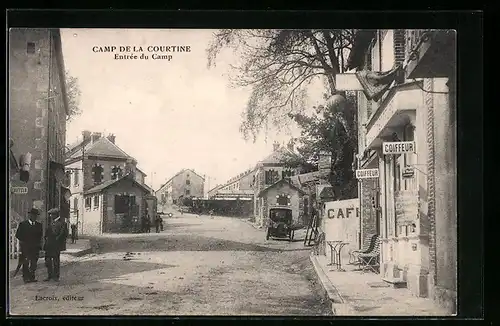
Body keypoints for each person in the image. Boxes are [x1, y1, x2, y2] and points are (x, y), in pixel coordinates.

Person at [15, 208, 43, 283]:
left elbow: (40, 236)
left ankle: (32, 277)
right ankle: (26, 278)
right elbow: (18, 235)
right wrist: (24, 242)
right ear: (29, 215)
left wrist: (38, 244)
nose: (34, 217)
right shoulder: (23, 224)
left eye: (35, 215)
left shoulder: (39, 225)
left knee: (34, 263)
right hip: (26, 247)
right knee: (26, 263)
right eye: (32, 215)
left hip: (35, 248)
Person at [44, 208, 68, 282]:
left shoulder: (62, 223)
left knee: (56, 261)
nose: (50, 216)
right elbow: (47, 233)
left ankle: (56, 276)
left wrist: (58, 241)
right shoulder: (51, 222)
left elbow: (64, 234)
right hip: (49, 244)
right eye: (50, 214)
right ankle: (50, 275)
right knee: (48, 260)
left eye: (52, 214)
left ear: (55, 215)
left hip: (56, 245)